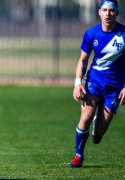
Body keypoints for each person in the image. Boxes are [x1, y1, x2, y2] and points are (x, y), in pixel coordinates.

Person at [68, 0, 125, 168]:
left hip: (114, 88)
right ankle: (78, 156)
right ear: (99, 12)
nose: (108, 14)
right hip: (94, 81)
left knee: (99, 134)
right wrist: (78, 83)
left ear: (117, 12)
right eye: (105, 10)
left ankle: (97, 128)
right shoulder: (91, 34)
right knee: (85, 117)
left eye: (111, 10)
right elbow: (83, 61)